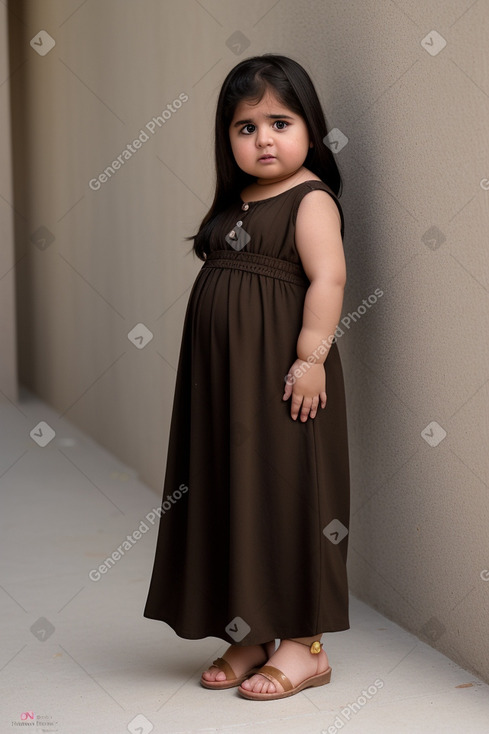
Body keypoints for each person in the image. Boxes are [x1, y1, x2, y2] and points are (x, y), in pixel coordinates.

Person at [143, 53, 350, 701]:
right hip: (222, 384)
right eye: (245, 127)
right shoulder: (236, 202)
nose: (263, 138)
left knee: (288, 493)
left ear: (310, 131)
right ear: (226, 139)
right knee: (231, 490)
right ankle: (249, 629)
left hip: (283, 379)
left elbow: (328, 279)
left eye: (279, 122)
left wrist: (310, 359)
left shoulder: (309, 199)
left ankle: (302, 643)